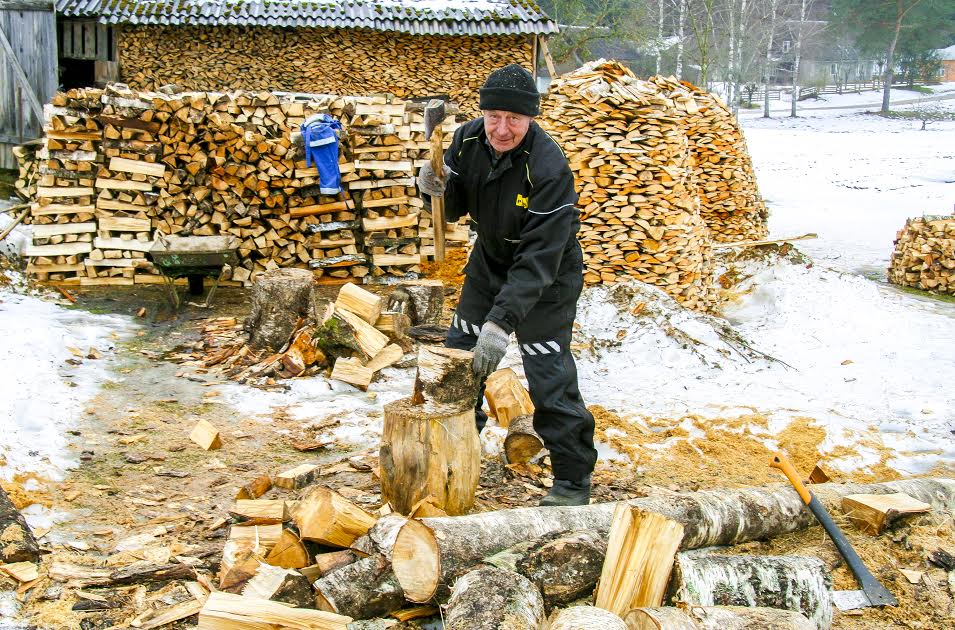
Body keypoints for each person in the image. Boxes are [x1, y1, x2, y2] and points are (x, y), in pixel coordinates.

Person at [416, 64, 597, 507]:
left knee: (548, 375)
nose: (501, 128)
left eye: (513, 119)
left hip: (547, 277)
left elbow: (538, 260)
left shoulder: (549, 168)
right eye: (494, 115)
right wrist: (432, 188)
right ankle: (451, 457)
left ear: (531, 118)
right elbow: (454, 206)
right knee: (458, 363)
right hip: (489, 263)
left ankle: (573, 481)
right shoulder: (467, 139)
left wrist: (501, 322)